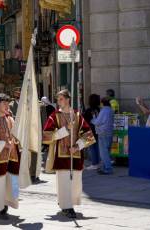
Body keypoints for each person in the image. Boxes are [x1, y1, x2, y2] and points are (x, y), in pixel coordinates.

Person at [43, 89, 95, 219]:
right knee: (64, 181)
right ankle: (66, 206)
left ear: (67, 99)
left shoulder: (77, 115)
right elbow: (47, 136)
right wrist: (65, 130)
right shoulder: (54, 116)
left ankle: (70, 203)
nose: (58, 102)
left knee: (75, 182)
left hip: (75, 155)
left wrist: (77, 146)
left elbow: (88, 135)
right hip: (61, 154)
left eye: (61, 99)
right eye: (58, 99)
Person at [92, 97, 114, 175]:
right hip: (109, 132)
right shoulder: (111, 110)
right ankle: (105, 168)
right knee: (107, 151)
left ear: (102, 103)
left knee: (103, 152)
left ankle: (108, 168)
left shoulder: (104, 110)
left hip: (103, 133)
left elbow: (98, 122)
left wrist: (93, 119)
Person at [83, 94, 101, 170]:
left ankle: (94, 163)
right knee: (97, 147)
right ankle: (98, 162)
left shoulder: (88, 110)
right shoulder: (100, 109)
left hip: (88, 131)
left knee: (91, 148)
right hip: (98, 130)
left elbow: (83, 120)